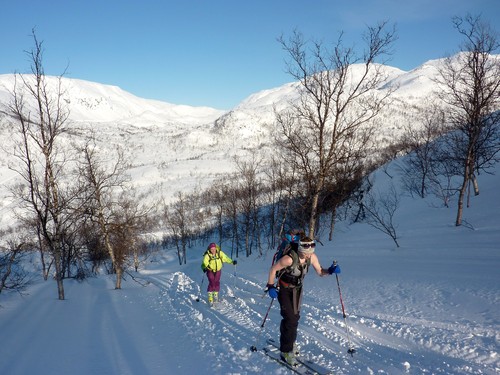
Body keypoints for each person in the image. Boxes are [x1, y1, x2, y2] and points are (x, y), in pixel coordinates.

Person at [265, 236, 338, 366]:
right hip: (284, 288)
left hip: (297, 289)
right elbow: (273, 269)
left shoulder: (312, 257)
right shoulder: (288, 259)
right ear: (300, 249)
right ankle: (285, 351)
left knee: (295, 317)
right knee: (290, 318)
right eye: (306, 253)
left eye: (311, 252)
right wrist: (271, 286)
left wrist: (330, 271)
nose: (309, 256)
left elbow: (320, 272)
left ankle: (290, 341)